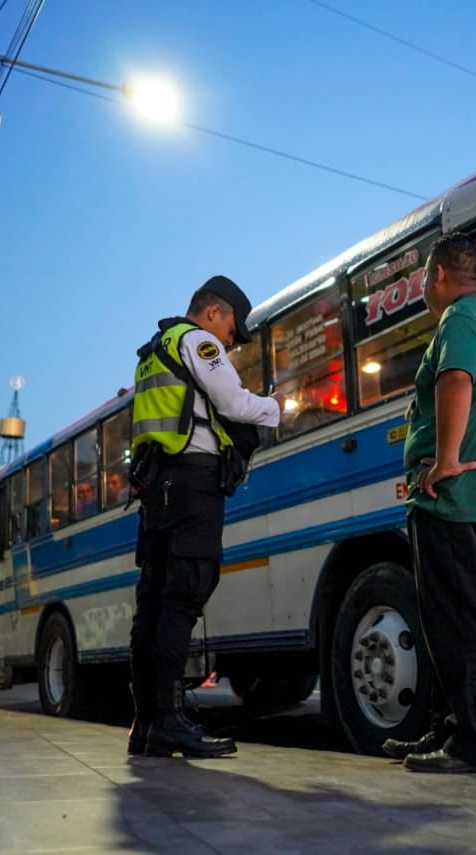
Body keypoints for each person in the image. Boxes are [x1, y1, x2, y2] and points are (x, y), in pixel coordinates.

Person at [126, 275, 285, 758]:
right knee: (183, 596)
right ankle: (170, 723)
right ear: (213, 313)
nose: (232, 342)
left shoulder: (155, 349)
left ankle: (147, 724)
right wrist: (275, 407)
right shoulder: (197, 341)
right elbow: (233, 402)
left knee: (153, 605)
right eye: (233, 329)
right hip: (192, 484)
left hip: (159, 489)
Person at [385, 232, 476, 774]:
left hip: (458, 500)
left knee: (464, 625)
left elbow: (455, 379)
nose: (423, 287)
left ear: (439, 274)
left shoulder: (460, 318)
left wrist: (442, 460)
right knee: (460, 623)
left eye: (423, 277)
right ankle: (452, 729)